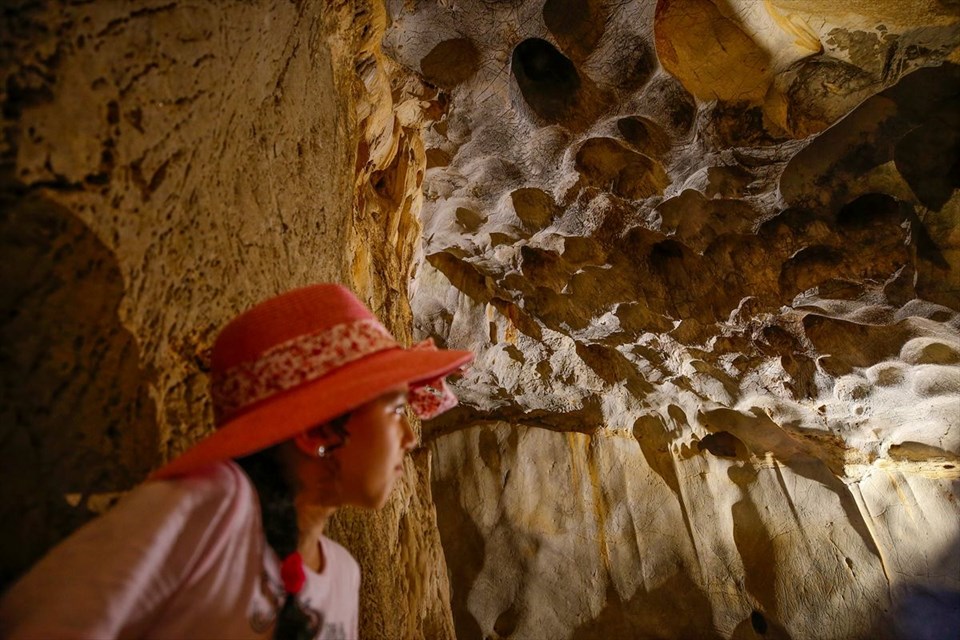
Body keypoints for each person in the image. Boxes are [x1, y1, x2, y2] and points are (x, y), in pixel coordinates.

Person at [0, 283, 473, 639]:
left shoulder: (344, 577)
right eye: (394, 410)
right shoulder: (216, 506)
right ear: (316, 431)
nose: (410, 438)